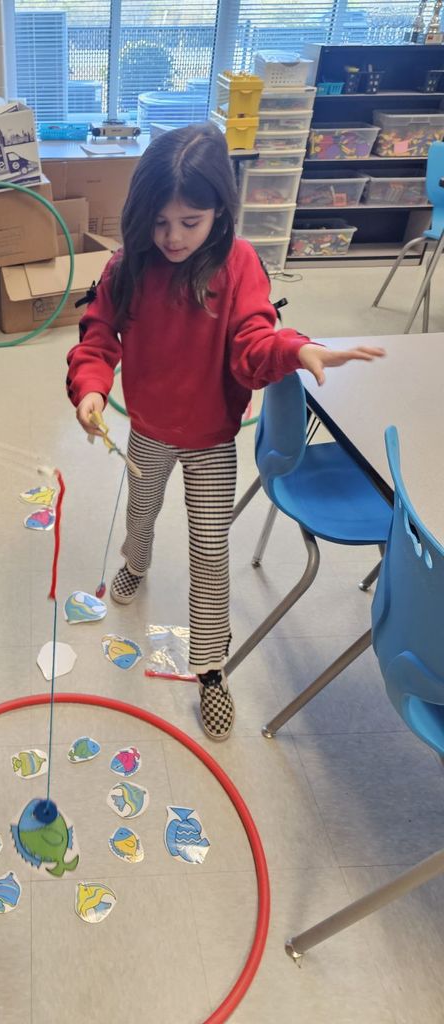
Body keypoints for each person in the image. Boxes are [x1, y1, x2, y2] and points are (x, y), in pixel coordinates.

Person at [66, 122, 384, 741]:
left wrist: (295, 350)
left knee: (211, 552)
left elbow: (253, 344)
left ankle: (211, 667)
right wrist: (92, 388)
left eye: (191, 221)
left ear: (220, 211)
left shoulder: (239, 265)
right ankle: (135, 561)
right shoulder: (128, 264)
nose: (174, 237)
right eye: (160, 222)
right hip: (150, 431)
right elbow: (98, 334)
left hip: (212, 434)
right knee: (141, 511)